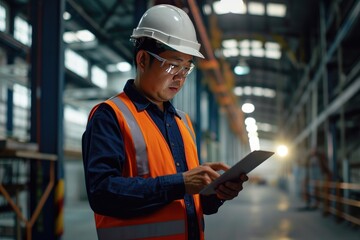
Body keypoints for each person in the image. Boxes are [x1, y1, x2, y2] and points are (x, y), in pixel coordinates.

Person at [82, 4, 248, 240]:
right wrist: (180, 183)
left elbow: (192, 203)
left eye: (186, 68)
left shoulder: (182, 122)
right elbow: (102, 194)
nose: (180, 77)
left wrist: (216, 192)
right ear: (142, 60)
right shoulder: (110, 115)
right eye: (173, 65)